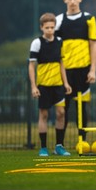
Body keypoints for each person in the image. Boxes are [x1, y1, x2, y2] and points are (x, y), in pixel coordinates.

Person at [55, 0, 96, 144]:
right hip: (64, 71)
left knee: (82, 108)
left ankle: (82, 141)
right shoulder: (58, 21)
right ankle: (60, 144)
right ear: (65, 0)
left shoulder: (88, 19)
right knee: (62, 109)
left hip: (83, 69)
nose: (72, 1)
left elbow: (93, 45)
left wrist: (93, 70)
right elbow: (55, 48)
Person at [28, 12, 73, 156]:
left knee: (61, 113)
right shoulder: (37, 43)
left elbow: (61, 64)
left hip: (58, 85)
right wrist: (34, 86)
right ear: (42, 27)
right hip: (44, 85)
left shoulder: (60, 42)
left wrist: (66, 83)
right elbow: (31, 66)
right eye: (47, 27)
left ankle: (59, 146)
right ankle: (43, 147)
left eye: (52, 27)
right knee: (44, 115)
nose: (50, 30)